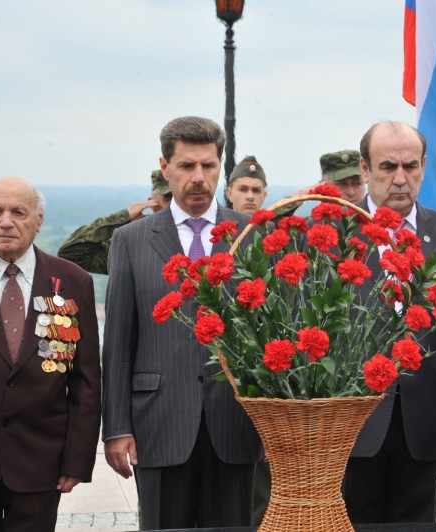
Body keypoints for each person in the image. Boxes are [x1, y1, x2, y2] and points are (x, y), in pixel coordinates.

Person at [101, 116, 263, 529]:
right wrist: (116, 427)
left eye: (208, 166)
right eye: (187, 166)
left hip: (235, 423)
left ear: (220, 167)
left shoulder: (251, 236)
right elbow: (118, 343)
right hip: (158, 422)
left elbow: (268, 335)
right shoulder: (131, 240)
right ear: (165, 167)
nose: (198, 177)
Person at [342, 120, 436, 524]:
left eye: (411, 166)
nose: (400, 179)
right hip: (351, 424)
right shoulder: (334, 233)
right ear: (365, 169)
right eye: (388, 167)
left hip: (424, 425)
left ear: (424, 167)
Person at [0, 176, 101, 532]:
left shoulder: (74, 281)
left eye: (18, 212)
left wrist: (77, 460)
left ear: (38, 221)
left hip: (41, 461)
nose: (5, 221)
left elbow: (86, 383)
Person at [57, 170, 172, 275]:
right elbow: (69, 253)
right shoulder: (135, 244)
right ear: (151, 204)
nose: (175, 204)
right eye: (168, 199)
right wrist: (122, 218)